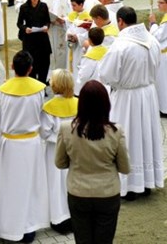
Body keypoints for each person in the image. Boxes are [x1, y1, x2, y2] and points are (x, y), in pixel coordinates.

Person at [99, 6, 164, 200]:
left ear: (120, 22)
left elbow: (106, 74)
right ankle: (146, 182)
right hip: (148, 95)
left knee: (128, 138)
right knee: (146, 136)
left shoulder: (120, 45)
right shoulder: (152, 41)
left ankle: (129, 185)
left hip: (127, 98)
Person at [55, 80, 130, 244]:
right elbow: (125, 167)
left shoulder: (67, 128)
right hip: (107, 192)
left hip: (78, 191)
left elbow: (60, 163)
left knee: (82, 239)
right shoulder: (115, 131)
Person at [0, 51, 49, 242]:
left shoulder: (2, 91)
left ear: (12, 67)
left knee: (10, 186)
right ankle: (29, 227)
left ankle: (9, 226)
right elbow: (41, 118)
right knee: (30, 185)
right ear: (31, 69)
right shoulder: (39, 90)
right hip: (31, 144)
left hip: (10, 143)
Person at [40, 69, 77, 234]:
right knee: (73, 181)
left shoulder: (48, 107)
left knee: (55, 182)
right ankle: (74, 215)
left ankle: (58, 217)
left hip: (55, 150)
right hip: (76, 149)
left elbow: (44, 132)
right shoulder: (78, 103)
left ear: (54, 86)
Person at [17, 0, 51, 84]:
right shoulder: (24, 7)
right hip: (30, 39)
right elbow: (19, 23)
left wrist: (46, 27)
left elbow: (47, 21)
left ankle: (42, 84)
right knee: (31, 62)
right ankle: (33, 84)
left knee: (44, 62)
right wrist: (25, 29)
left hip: (42, 38)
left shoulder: (43, 6)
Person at [46, 0, 72, 71]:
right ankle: (52, 74)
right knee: (52, 52)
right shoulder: (47, 0)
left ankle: (62, 72)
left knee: (62, 52)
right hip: (51, 29)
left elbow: (72, 16)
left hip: (62, 29)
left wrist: (64, 20)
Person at [75, 27, 108, 96]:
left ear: (89, 41)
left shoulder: (89, 57)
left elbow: (84, 76)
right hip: (105, 88)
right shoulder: (107, 52)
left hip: (92, 90)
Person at [65, 0, 92, 77]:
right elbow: (69, 28)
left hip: (81, 47)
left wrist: (78, 37)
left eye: (74, 5)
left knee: (78, 67)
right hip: (72, 46)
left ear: (81, 4)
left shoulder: (88, 17)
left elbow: (89, 33)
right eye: (72, 5)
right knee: (70, 66)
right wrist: (69, 35)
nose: (73, 8)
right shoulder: (72, 15)